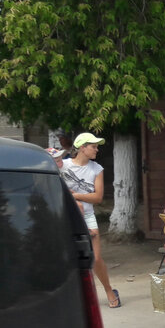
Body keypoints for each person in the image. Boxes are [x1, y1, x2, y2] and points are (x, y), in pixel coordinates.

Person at [61, 132, 120, 308]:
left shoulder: (97, 169)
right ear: (82, 147)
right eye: (93, 146)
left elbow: (98, 197)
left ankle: (109, 289)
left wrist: (75, 195)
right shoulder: (62, 165)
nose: (97, 149)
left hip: (87, 215)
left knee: (95, 258)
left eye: (96, 146)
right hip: (66, 214)